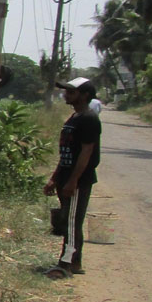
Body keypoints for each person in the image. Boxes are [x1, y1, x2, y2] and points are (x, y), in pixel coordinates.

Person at [43, 77, 101, 279]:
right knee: (69, 220)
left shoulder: (89, 119)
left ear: (84, 95)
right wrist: (55, 178)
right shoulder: (75, 118)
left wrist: (73, 180)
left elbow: (86, 153)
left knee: (72, 223)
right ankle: (74, 262)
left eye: (71, 92)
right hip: (67, 176)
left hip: (78, 180)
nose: (66, 95)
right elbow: (67, 153)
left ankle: (65, 264)